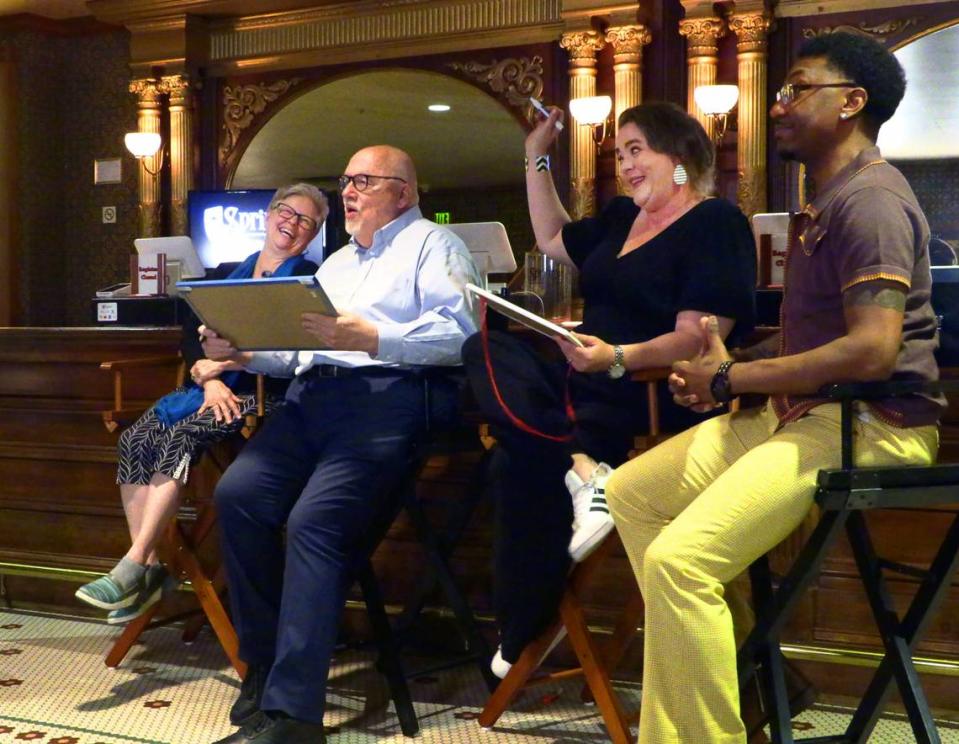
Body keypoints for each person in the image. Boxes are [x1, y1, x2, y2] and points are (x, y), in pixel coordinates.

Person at [605, 32, 944, 744]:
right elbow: (818, 339)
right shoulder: (827, 199)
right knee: (632, 495)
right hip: (802, 416)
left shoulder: (871, 201)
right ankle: (745, 688)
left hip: (875, 423)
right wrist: (734, 363)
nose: (779, 104)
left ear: (851, 102)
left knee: (681, 559)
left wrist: (731, 375)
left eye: (795, 88)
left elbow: (872, 350)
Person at [462, 101, 757, 676]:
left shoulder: (714, 221)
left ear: (681, 155)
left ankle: (523, 629)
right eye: (619, 154)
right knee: (486, 346)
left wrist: (618, 357)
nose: (624, 165)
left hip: (648, 394)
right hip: (585, 384)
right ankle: (582, 470)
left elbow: (700, 337)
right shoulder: (621, 217)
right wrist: (535, 157)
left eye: (636, 150)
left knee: (512, 465)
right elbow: (550, 237)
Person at [200, 145, 479, 744]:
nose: (348, 192)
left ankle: (295, 717)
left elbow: (461, 336)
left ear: (403, 192)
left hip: (387, 400)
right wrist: (244, 352)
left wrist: (374, 337)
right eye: (346, 182)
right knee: (238, 495)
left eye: (364, 182)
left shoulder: (436, 245)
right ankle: (267, 667)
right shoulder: (334, 265)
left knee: (313, 523)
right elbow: (297, 353)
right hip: (310, 402)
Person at [74, 183, 328, 624]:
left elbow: (293, 352)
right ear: (268, 216)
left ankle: (134, 562)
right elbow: (193, 340)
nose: (291, 223)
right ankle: (151, 570)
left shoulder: (306, 282)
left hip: (262, 398)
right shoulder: (227, 273)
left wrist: (226, 368)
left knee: (181, 436)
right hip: (212, 390)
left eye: (305, 220)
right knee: (135, 439)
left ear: (315, 232)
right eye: (286, 211)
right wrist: (205, 378)